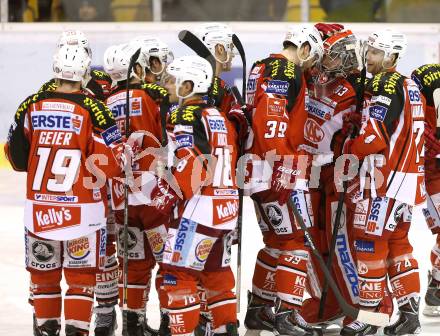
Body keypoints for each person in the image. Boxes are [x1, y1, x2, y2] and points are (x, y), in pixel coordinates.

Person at [4, 44, 129, 336]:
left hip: (40, 213)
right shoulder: (94, 109)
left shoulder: (30, 105)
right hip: (82, 216)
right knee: (81, 280)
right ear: (85, 73)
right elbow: (113, 164)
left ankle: (47, 330)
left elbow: (16, 159)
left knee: (44, 279)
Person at [340, 28, 425, 336]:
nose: (369, 57)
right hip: (405, 180)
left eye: (376, 52)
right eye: (370, 50)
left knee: (369, 244)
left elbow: (375, 138)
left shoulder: (385, 83)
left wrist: (349, 148)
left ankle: (371, 317)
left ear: (392, 56)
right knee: (399, 245)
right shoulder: (409, 84)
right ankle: (410, 313)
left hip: (382, 181)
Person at [243, 24, 324, 335]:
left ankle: (259, 309)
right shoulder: (285, 69)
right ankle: (287, 314)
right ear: (302, 48)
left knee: (276, 242)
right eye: (311, 58)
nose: (310, 66)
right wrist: (283, 164)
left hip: (256, 168)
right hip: (276, 167)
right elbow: (270, 118)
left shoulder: (261, 65)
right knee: (296, 243)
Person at [37, 30, 118, 336]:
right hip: (89, 191)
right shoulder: (92, 89)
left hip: (54, 196)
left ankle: (100, 312)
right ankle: (101, 314)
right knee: (96, 256)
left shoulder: (43, 93)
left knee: (92, 255)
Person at [151, 55, 239, 336]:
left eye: (174, 80)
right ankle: (227, 329)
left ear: (189, 85)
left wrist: (166, 194)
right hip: (225, 206)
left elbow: (193, 162)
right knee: (216, 275)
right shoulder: (220, 116)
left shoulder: (184, 114)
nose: (168, 85)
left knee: (176, 273)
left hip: (198, 209)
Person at [298, 25, 363, 330]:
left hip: (335, 174)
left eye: (339, 57)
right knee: (312, 239)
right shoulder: (313, 77)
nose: (332, 62)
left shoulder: (356, 89)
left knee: (341, 243)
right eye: (332, 56)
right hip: (307, 170)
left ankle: (361, 303)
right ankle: (324, 302)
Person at [103, 42, 171, 336]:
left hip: (120, 196)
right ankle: (171, 319)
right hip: (152, 194)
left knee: (133, 262)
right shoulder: (150, 96)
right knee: (169, 260)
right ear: (139, 69)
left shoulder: (104, 103)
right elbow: (164, 140)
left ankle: (132, 323)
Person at [411, 63, 440, 317]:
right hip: (431, 172)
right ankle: (437, 287)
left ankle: (437, 284)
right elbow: (419, 129)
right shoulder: (425, 77)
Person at [40, 30, 113, 102]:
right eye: (67, 52)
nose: (73, 56)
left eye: (80, 52)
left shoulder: (104, 78)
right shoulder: (48, 87)